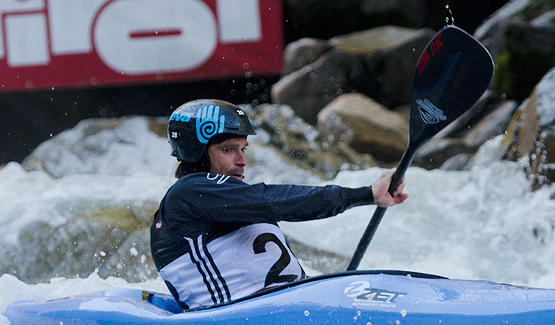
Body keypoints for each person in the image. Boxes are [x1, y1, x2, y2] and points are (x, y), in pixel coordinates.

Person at [150, 99, 407, 309]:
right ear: (197, 153)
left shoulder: (235, 202)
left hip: (285, 312)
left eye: (244, 149)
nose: (242, 161)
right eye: (228, 150)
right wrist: (365, 194)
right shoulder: (186, 194)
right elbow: (276, 201)